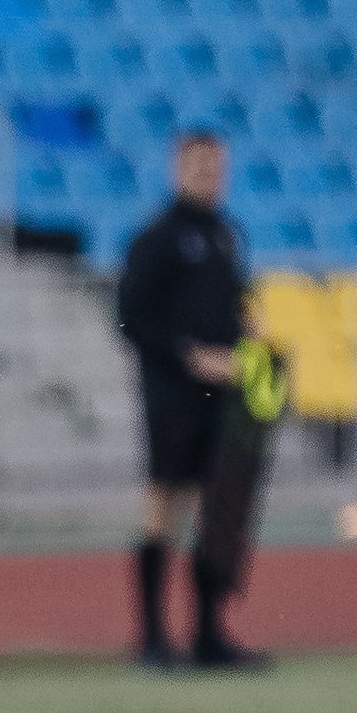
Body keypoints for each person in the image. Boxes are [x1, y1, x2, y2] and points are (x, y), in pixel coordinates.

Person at [116, 130, 267, 671]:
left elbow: (230, 303)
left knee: (216, 511)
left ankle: (208, 635)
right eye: (199, 166)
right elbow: (131, 319)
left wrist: (250, 331)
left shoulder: (226, 234)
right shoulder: (156, 239)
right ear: (177, 169)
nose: (209, 176)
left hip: (223, 397)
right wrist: (189, 354)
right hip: (171, 396)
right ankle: (152, 639)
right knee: (165, 505)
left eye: (216, 167)